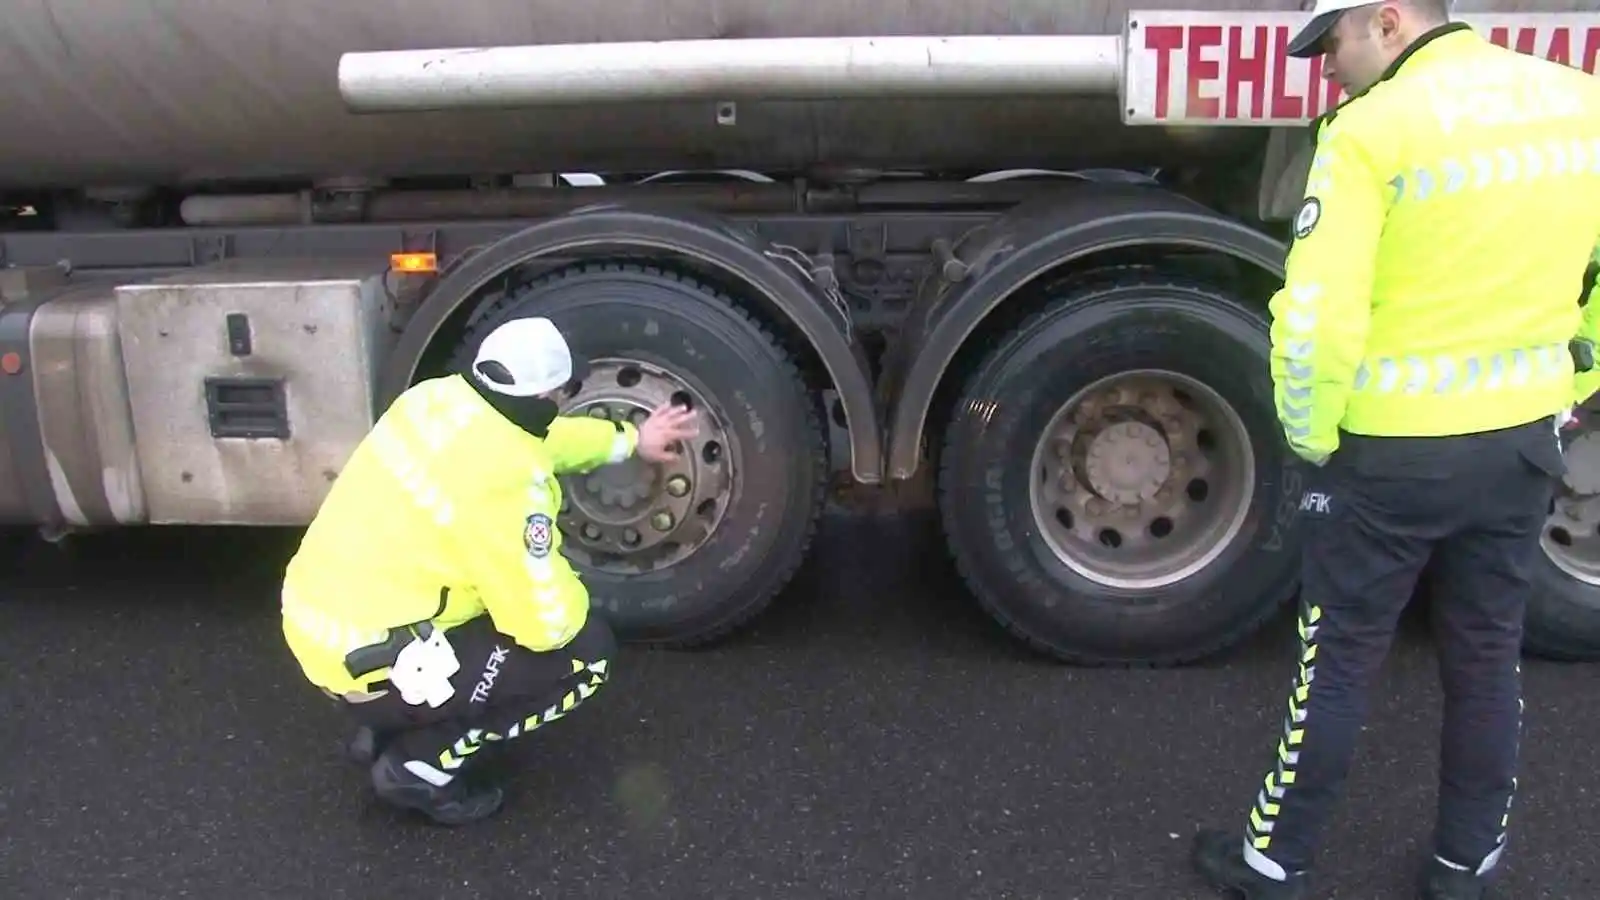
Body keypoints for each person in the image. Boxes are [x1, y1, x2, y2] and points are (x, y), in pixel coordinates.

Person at [1187, 2, 1600, 898]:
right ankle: (1466, 865)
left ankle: (1274, 860)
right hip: (1520, 448)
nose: (1327, 67)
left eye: (1332, 43)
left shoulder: (1373, 132)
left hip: (1391, 457)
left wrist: (1310, 438)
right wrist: (1574, 380)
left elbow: (1313, 322)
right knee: (1489, 654)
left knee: (1336, 661)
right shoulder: (1580, 103)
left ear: (1388, 19)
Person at [279, 314, 699, 825]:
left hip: (316, 627)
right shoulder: (506, 486)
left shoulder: (434, 401)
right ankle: (418, 766)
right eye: (566, 389)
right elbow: (545, 626)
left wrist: (627, 440)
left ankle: (382, 725)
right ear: (547, 396)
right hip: (381, 663)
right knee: (586, 656)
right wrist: (572, 586)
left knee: (460, 595)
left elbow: (537, 438)